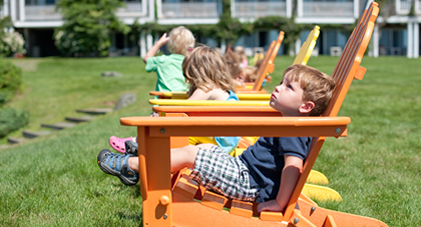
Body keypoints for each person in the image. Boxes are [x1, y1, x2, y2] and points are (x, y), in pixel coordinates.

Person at [97, 64, 335, 213]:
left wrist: (280, 204)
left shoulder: (294, 130)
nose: (278, 87)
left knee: (193, 153)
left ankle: (132, 165)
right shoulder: (289, 122)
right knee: (202, 150)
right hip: (244, 171)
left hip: (248, 183)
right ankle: (139, 163)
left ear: (306, 106)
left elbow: (293, 167)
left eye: (288, 87)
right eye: (281, 82)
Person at [110, 46, 241, 154]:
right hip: (227, 140)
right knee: (181, 130)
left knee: (175, 131)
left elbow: (182, 108)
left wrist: (161, 116)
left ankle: (138, 143)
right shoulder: (220, 88)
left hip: (220, 141)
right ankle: (142, 147)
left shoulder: (207, 88)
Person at [109, 26, 195, 153]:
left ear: (170, 45)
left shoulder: (163, 60)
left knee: (153, 124)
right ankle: (136, 142)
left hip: (163, 108)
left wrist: (159, 43)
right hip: (185, 109)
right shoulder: (191, 62)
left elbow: (146, 59)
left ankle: (134, 142)